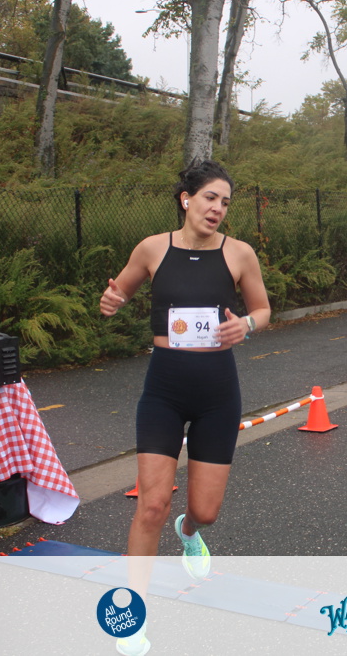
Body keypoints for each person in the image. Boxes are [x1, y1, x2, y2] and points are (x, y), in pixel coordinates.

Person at [99, 160, 270, 589]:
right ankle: (134, 603)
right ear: (186, 199)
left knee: (206, 511)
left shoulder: (239, 253)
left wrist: (246, 324)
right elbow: (120, 291)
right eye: (210, 198)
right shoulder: (152, 248)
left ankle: (189, 531)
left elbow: (263, 309)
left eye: (225, 203)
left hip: (217, 393)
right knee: (152, 505)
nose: (217, 209)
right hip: (165, 391)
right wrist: (111, 301)